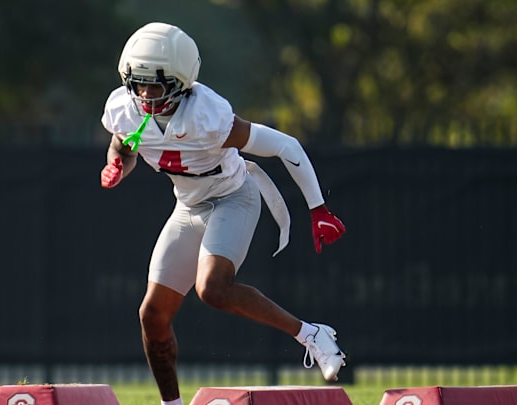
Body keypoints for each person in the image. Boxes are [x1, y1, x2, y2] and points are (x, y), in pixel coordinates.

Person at [99, 22, 347, 405]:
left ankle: (312, 334)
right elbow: (124, 147)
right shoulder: (124, 109)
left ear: (181, 82)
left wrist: (319, 208)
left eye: (156, 85)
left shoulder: (207, 116)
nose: (145, 95)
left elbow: (286, 145)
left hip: (233, 197)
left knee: (212, 289)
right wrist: (116, 164)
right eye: (139, 84)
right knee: (152, 314)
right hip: (189, 205)